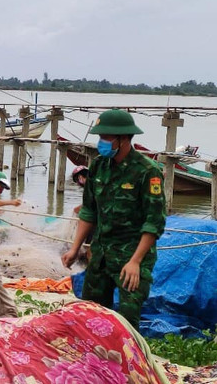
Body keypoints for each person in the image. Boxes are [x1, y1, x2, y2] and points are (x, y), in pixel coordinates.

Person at [62, 109, 166, 330]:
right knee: (92, 315)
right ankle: (95, 361)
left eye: (106, 138)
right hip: (101, 253)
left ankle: (128, 362)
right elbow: (89, 212)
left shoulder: (147, 171)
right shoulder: (99, 167)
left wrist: (136, 261)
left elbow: (154, 222)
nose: (102, 142)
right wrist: (74, 249)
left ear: (124, 138)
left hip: (132, 254)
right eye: (100, 137)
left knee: (127, 320)